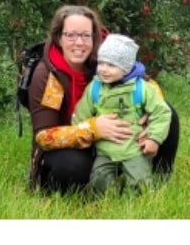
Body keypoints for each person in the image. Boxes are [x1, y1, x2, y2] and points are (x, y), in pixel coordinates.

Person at [25, 4, 135, 192]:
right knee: (72, 166)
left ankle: (155, 180)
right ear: (59, 38)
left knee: (166, 114)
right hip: (65, 148)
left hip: (107, 142)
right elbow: (44, 137)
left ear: (94, 38)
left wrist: (147, 115)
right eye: (71, 35)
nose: (79, 43)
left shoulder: (103, 61)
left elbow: (144, 81)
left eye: (85, 36)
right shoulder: (48, 75)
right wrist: (93, 129)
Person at [72, 34, 172, 193]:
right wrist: (86, 132)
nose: (104, 69)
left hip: (135, 149)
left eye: (111, 65)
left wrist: (154, 138)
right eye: (101, 63)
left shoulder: (141, 88)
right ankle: (108, 200)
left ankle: (141, 199)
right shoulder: (95, 88)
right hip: (105, 151)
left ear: (126, 68)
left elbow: (162, 113)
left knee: (140, 184)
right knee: (99, 180)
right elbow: (80, 116)